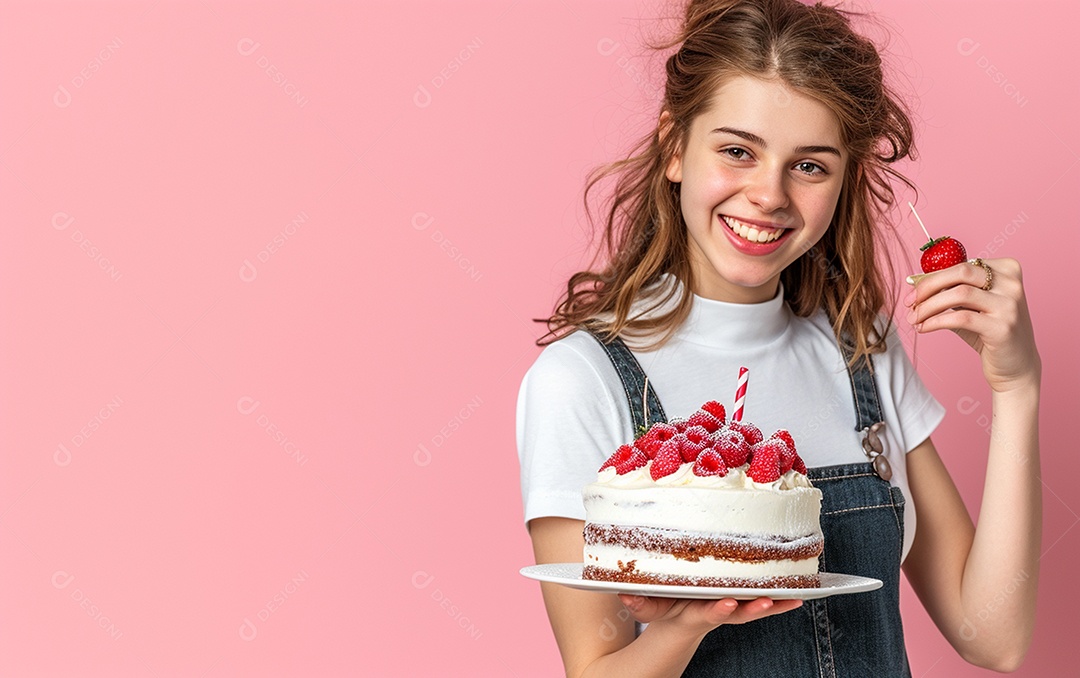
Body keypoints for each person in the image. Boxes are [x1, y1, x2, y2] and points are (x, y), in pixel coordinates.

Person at [514, 0, 1042, 675]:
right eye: (737, 151)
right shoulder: (581, 381)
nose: (769, 194)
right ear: (676, 147)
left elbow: (992, 635)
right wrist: (688, 624)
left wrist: (1016, 385)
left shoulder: (863, 349)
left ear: (844, 177)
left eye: (810, 165)